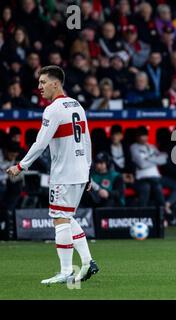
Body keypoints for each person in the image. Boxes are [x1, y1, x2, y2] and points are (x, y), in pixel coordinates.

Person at [5, 65, 99, 284]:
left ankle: (66, 271)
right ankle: (87, 262)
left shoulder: (54, 109)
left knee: (59, 219)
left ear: (55, 83)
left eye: (43, 82)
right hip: (79, 172)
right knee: (66, 217)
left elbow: (41, 143)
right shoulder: (76, 105)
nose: (39, 87)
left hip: (64, 173)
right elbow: (86, 140)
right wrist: (88, 170)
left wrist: (21, 166)